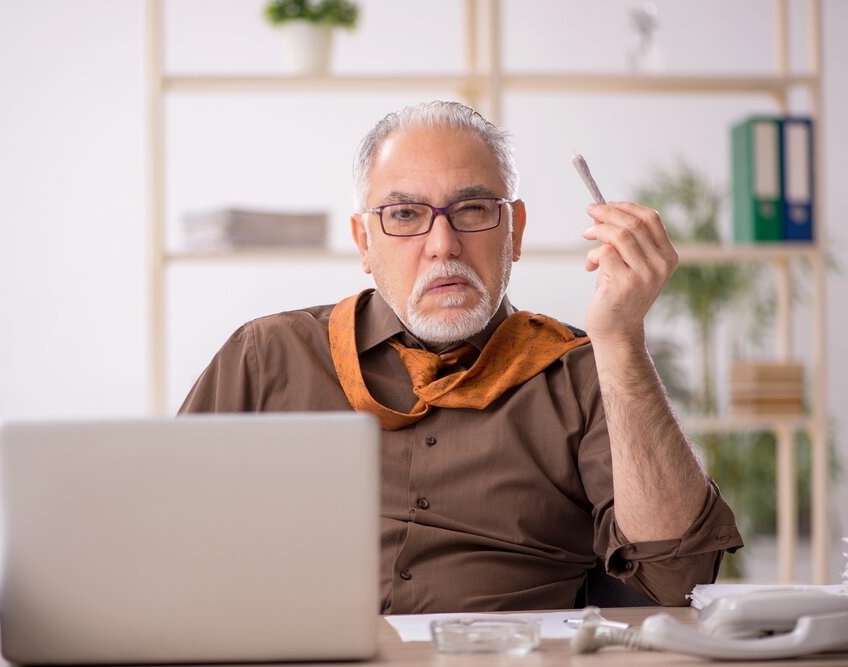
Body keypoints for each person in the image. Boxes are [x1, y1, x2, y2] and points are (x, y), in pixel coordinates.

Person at [180, 100, 743, 614]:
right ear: (363, 244)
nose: (443, 244)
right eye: (404, 215)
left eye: (472, 209)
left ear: (515, 232)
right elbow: (165, 541)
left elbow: (680, 581)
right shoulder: (267, 357)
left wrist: (622, 339)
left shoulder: (583, 372)